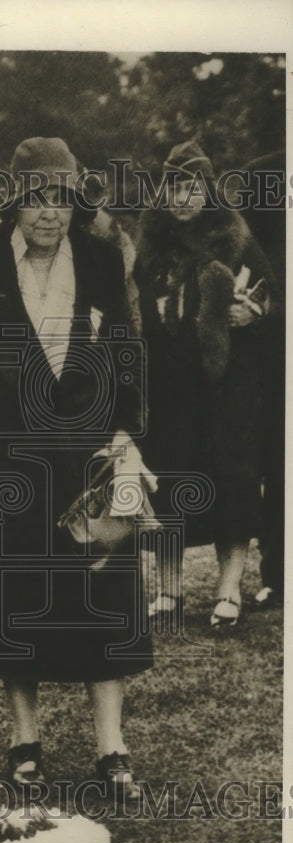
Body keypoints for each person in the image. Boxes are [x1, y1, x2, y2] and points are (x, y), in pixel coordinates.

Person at [0, 137, 153, 798]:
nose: (48, 214)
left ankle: (110, 748)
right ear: (15, 203)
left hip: (88, 457)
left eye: (60, 199)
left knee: (102, 599)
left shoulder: (99, 257)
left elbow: (126, 347)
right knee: (15, 600)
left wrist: (126, 433)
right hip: (9, 461)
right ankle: (24, 742)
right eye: (34, 199)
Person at [135, 141, 276, 628]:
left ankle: (229, 589)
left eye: (192, 188)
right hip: (171, 385)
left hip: (228, 383)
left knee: (232, 478)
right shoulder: (152, 246)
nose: (182, 198)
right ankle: (169, 592)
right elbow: (137, 304)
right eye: (173, 188)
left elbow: (272, 296)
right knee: (171, 478)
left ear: (208, 191)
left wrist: (253, 311)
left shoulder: (237, 237)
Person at [239, 152, 285, 611]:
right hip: (275, 352)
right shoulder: (265, 174)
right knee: (278, 461)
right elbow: (245, 257)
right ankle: (278, 574)